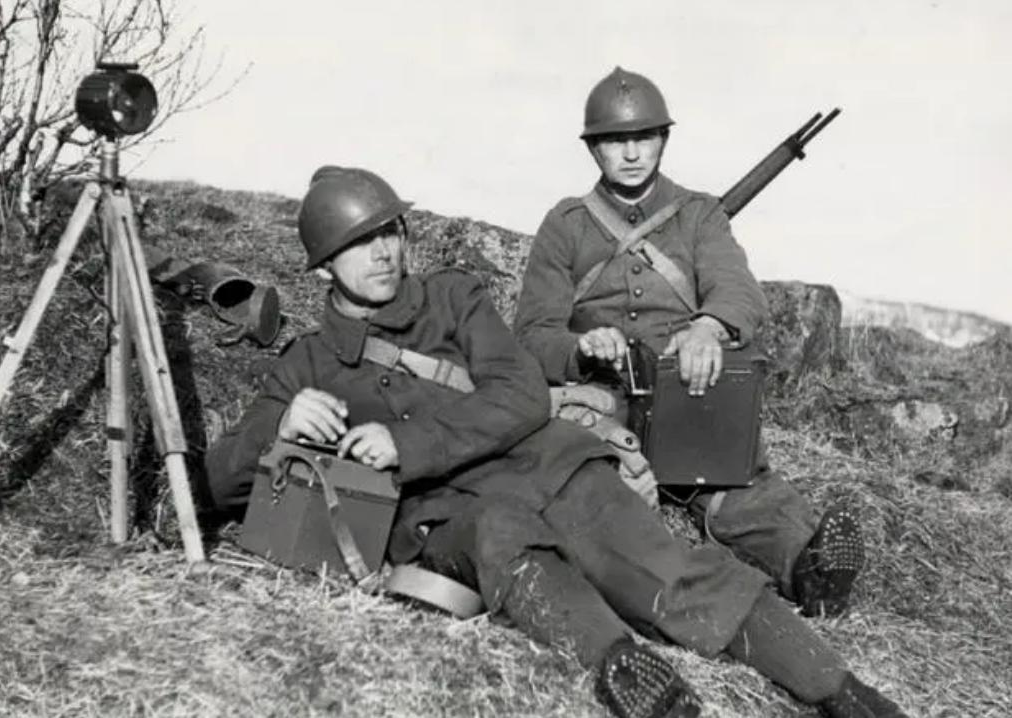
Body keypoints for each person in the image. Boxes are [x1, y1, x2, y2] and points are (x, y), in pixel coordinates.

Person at [205, 166, 906, 718]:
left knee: (673, 572)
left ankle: (841, 690)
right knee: (507, 541)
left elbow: (520, 394)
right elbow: (215, 485)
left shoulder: (453, 299)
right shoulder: (307, 365)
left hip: (553, 468)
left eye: (390, 231)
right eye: (360, 243)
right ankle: (624, 669)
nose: (384, 252)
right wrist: (282, 429)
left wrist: (404, 444)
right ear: (323, 267)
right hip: (453, 519)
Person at [513, 67, 864, 619]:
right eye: (615, 141)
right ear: (593, 149)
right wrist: (579, 349)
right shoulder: (565, 224)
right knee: (593, 485)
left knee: (738, 488)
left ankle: (810, 568)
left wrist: (707, 328)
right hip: (603, 402)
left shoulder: (699, 216)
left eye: (644, 137)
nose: (632, 153)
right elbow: (533, 334)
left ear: (664, 139)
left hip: (686, 391)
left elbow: (737, 289)